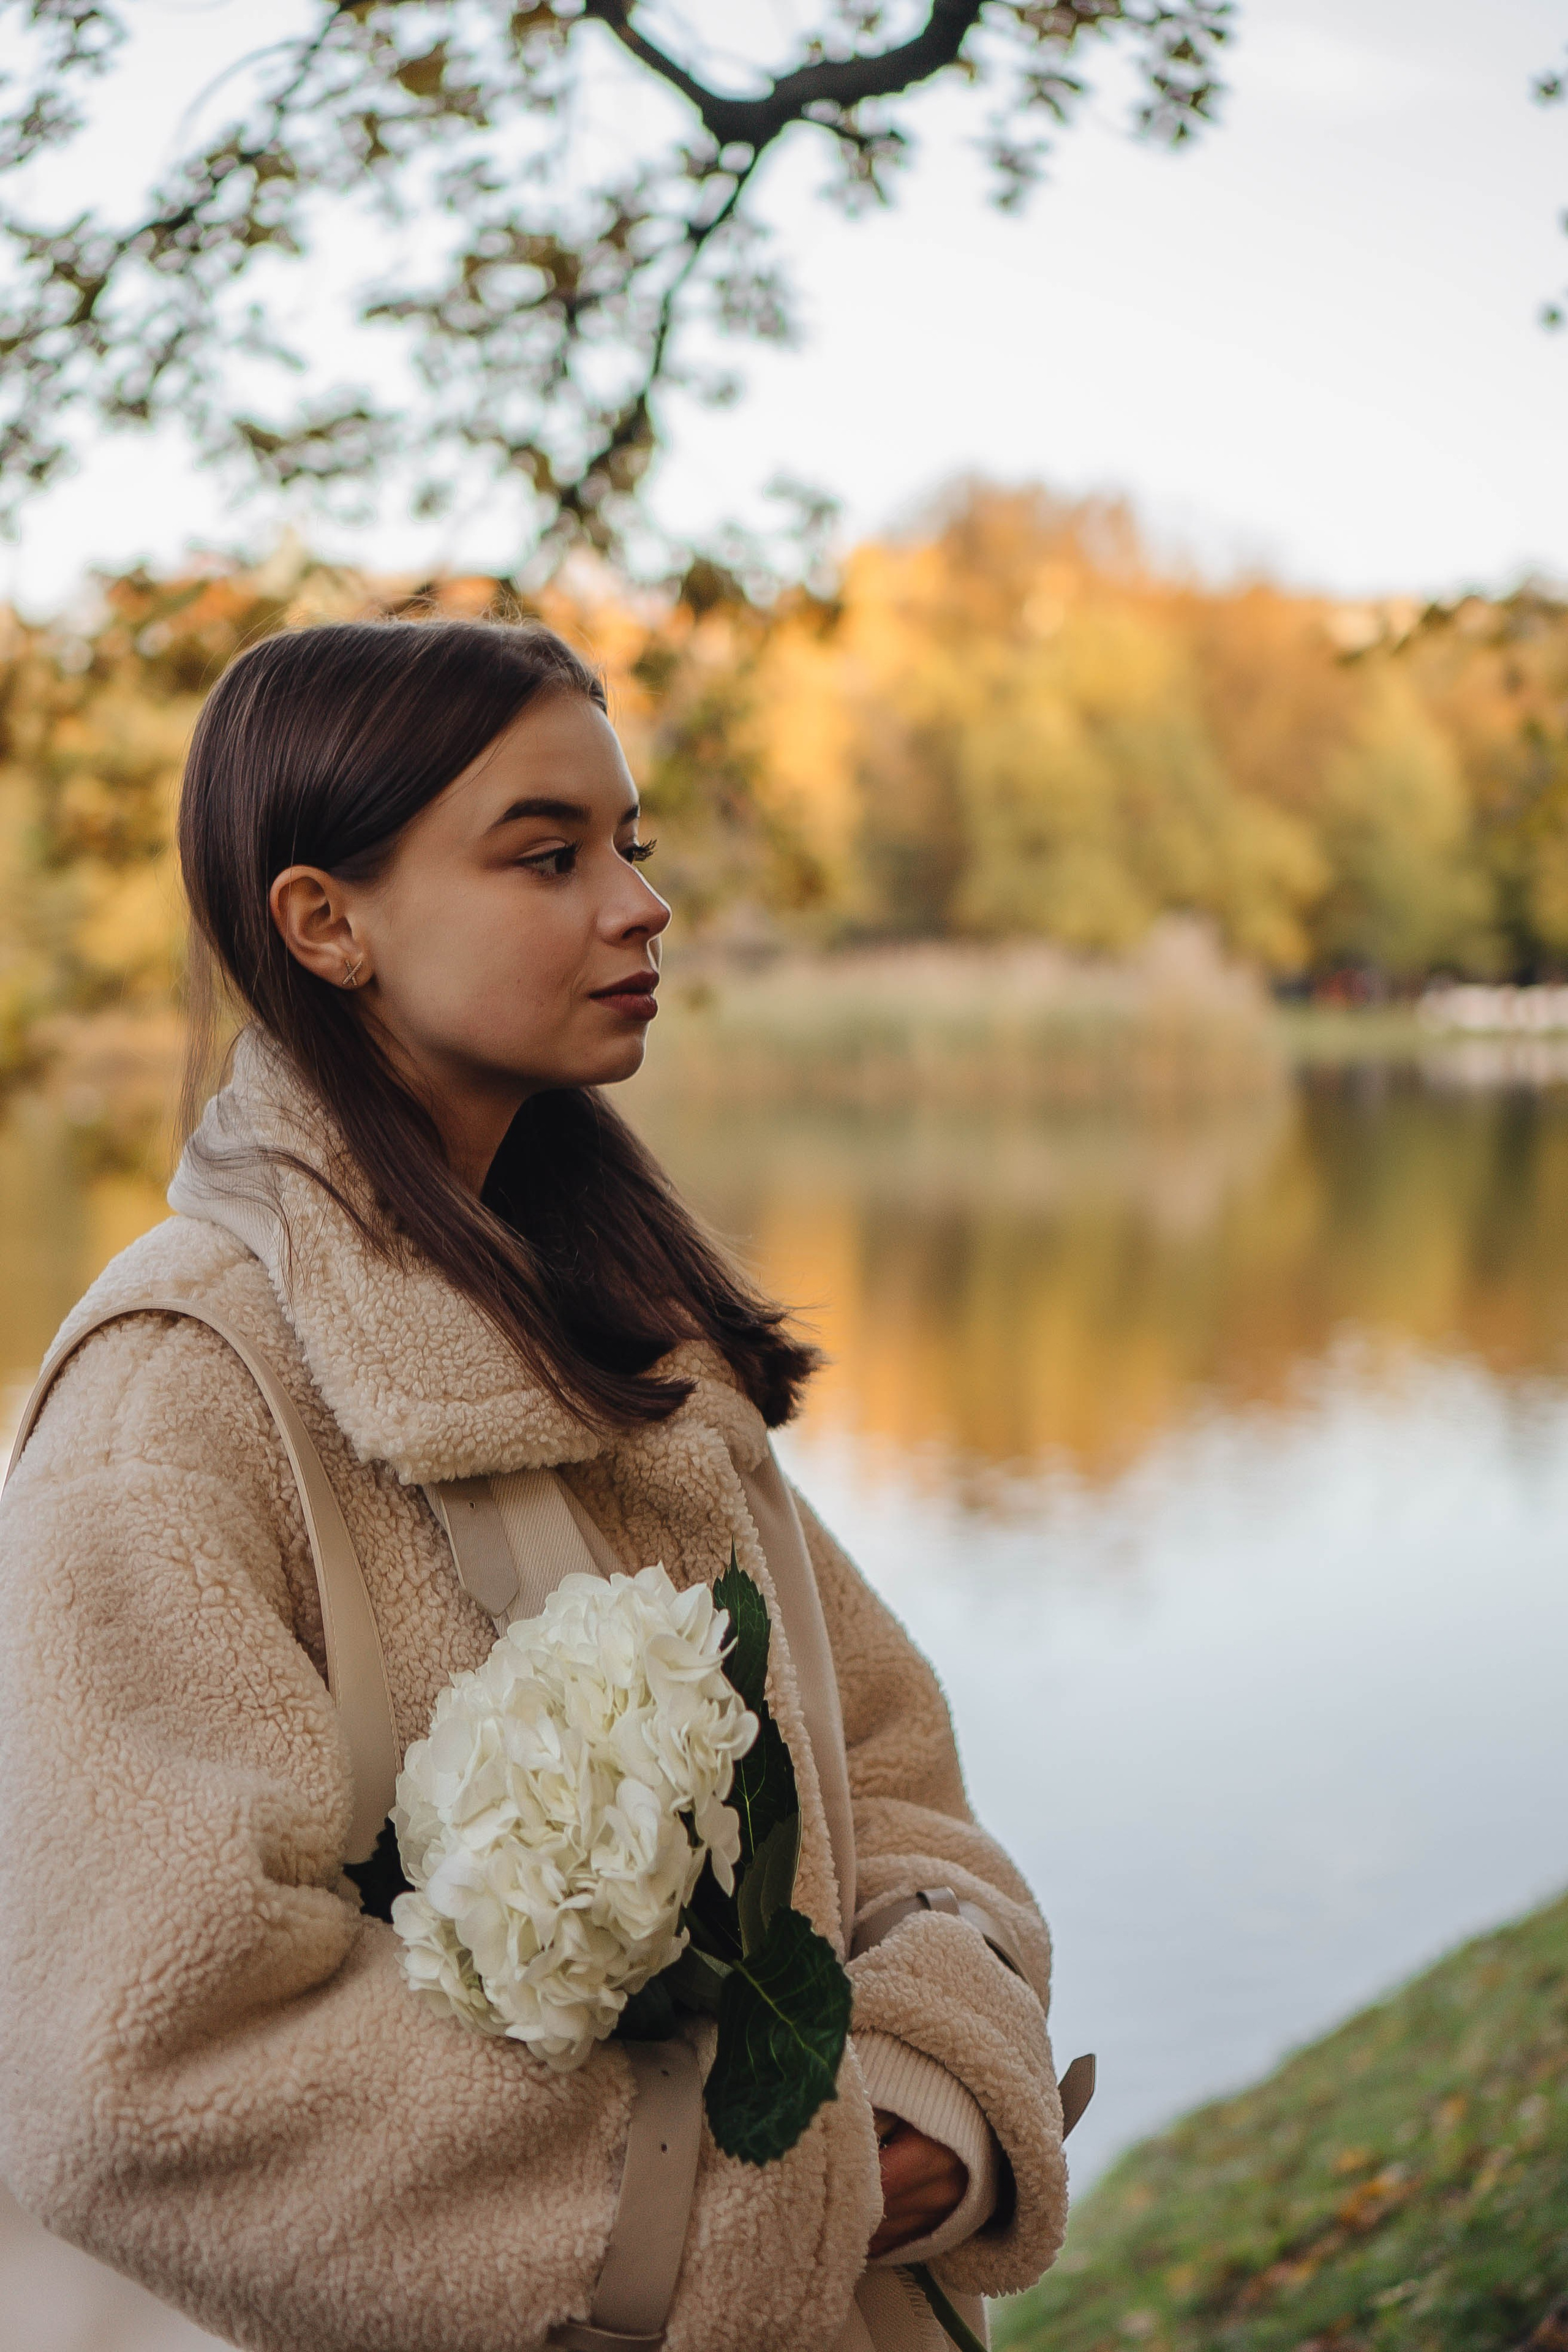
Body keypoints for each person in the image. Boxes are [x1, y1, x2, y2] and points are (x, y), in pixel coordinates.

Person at [0, 617, 1068, 2352]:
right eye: (547, 855)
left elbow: (884, 1775)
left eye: (630, 850)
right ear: (324, 921)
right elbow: (147, 2065)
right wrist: (763, 2202)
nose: (642, 907)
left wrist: (936, 2089)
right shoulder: (178, 1392)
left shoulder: (632, 1335)